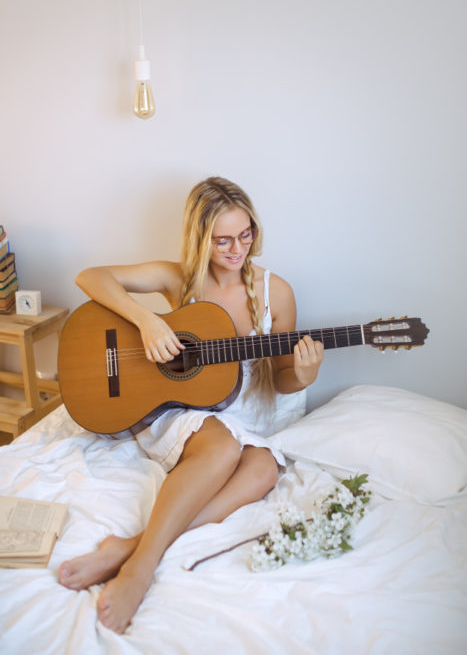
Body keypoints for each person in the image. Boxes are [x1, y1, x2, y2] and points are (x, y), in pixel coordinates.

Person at [58, 176, 324, 633]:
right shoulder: (180, 279)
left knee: (263, 469)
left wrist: (303, 374)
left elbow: (281, 379)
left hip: (243, 409)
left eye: (246, 235)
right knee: (222, 449)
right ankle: (140, 571)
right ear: (201, 239)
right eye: (222, 240)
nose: (237, 249)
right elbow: (90, 277)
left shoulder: (275, 293)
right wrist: (145, 321)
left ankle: (132, 547)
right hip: (180, 404)